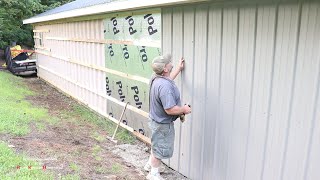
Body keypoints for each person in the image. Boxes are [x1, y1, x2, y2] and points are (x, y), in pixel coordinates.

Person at [144, 54, 192, 180]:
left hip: (155, 120)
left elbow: (168, 78)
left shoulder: (156, 77)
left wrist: (178, 69)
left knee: (156, 144)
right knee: (159, 149)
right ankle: (153, 174)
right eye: (169, 62)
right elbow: (170, 109)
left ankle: (150, 165)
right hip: (162, 124)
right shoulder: (165, 87)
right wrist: (184, 109)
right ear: (165, 69)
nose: (171, 63)